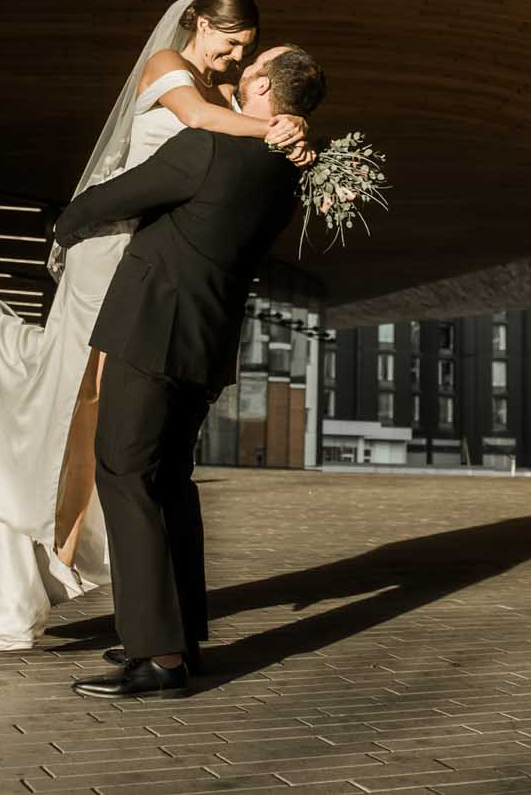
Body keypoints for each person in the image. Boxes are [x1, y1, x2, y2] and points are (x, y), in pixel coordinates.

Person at [0, 0, 313, 651]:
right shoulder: (175, 72)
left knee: (118, 443)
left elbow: (222, 154)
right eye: (229, 43)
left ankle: (119, 610)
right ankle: (37, 589)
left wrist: (282, 127)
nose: (230, 57)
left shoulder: (230, 102)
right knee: (71, 422)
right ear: (196, 24)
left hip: (153, 268)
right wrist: (279, 129)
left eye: (245, 50)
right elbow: (198, 124)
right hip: (114, 258)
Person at [58, 45, 327, 699]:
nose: (243, 67)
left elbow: (114, 198)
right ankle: (180, 638)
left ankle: (161, 656)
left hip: (151, 332)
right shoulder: (285, 175)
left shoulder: (208, 146)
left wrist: (65, 226)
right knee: (170, 481)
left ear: (263, 83)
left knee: (124, 474)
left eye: (254, 61)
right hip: (205, 347)